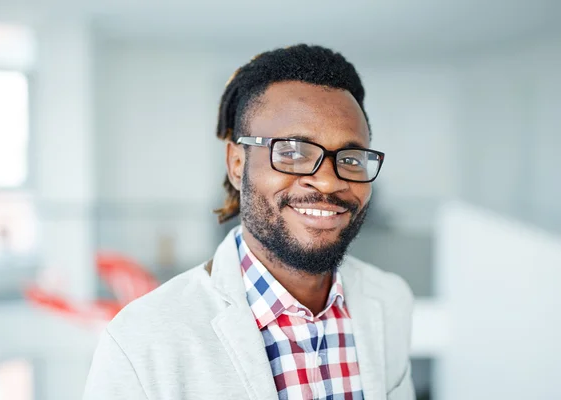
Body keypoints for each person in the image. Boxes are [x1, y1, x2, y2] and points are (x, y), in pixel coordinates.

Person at [83, 44, 415, 400]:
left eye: (350, 158)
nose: (329, 182)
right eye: (291, 152)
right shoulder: (141, 341)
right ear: (237, 163)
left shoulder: (390, 298)